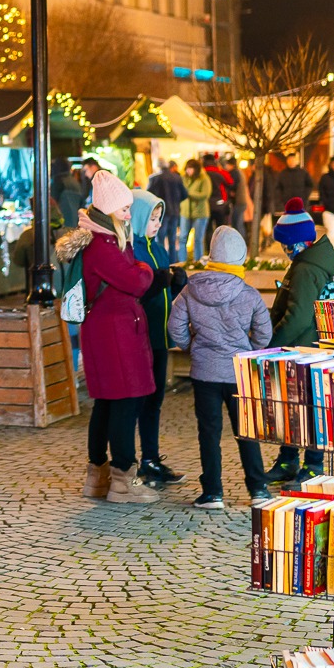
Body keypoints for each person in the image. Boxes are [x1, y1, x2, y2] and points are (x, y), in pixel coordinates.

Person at [58, 171, 162, 505]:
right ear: (108, 212)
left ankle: (97, 477)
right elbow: (136, 280)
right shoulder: (102, 246)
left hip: (107, 333)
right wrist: (146, 270)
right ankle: (121, 481)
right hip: (114, 337)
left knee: (106, 403)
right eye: (124, 210)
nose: (129, 215)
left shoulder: (105, 241)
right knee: (124, 403)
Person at [168, 224, 272, 509]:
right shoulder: (248, 294)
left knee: (209, 433)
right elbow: (264, 332)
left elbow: (174, 327)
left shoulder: (191, 290)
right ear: (240, 259)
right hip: (239, 372)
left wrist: (193, 347)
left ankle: (213, 492)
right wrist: (248, 351)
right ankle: (258, 489)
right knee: (246, 432)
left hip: (204, 374)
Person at [263, 198, 334, 484]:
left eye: (285, 243)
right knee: (293, 406)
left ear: (296, 242)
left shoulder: (306, 269)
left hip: (305, 348)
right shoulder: (306, 262)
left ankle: (312, 465)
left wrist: (272, 342)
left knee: (307, 407)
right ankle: (288, 460)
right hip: (305, 347)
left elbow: (298, 316)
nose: (284, 250)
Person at [127, 189, 184, 488]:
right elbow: (132, 292)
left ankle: (150, 459)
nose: (158, 223)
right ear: (137, 217)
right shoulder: (131, 249)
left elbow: (164, 290)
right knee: (139, 401)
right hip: (140, 338)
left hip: (161, 337)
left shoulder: (157, 248)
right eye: (152, 217)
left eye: (160, 217)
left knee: (156, 400)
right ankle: (129, 464)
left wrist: (176, 285)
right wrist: (156, 286)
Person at [149, 160, 188, 263]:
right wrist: (176, 202)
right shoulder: (177, 177)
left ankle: (161, 261)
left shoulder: (155, 178)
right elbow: (184, 194)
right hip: (174, 211)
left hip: (161, 213)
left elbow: (148, 196)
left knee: (160, 239)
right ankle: (173, 262)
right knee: (172, 238)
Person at [182, 158, 213, 261]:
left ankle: (198, 261)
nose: (188, 171)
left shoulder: (204, 179)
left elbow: (205, 195)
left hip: (201, 213)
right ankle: (182, 261)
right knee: (182, 237)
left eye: (191, 169)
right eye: (187, 168)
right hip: (185, 212)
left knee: (198, 239)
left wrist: (189, 193)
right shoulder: (184, 178)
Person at [316, 158, 334, 248]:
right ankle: (333, 254)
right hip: (329, 210)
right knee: (331, 233)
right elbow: (321, 193)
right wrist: (325, 203)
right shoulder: (325, 178)